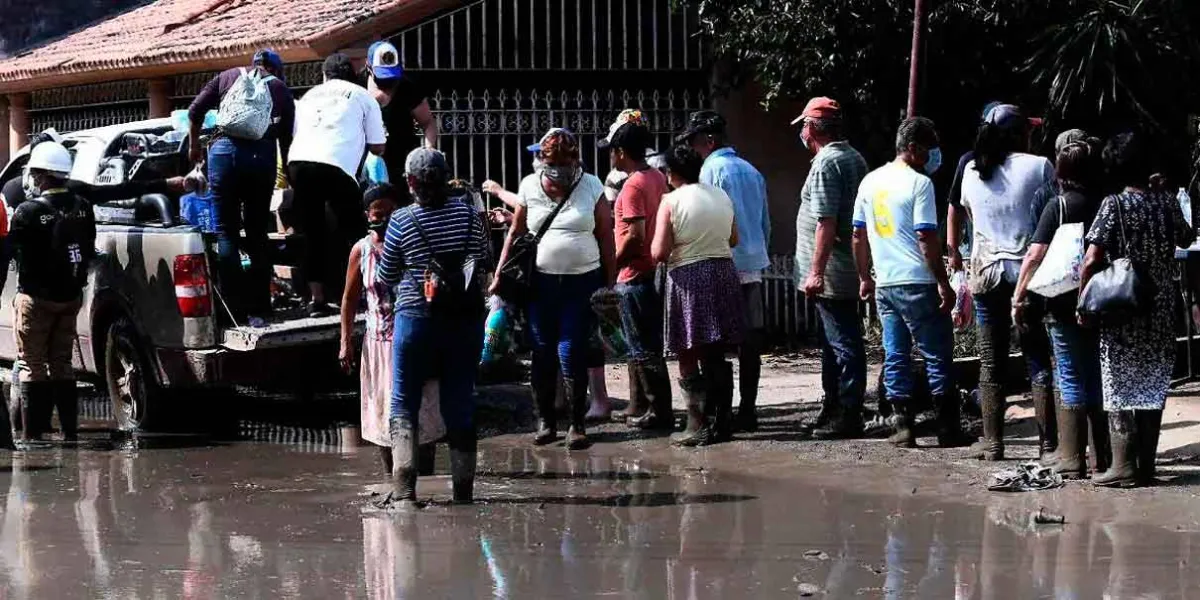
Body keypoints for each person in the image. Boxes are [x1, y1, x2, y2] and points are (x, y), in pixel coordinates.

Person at [377, 148, 490, 505]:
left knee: (404, 401)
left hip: (416, 321)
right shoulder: (471, 216)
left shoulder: (401, 221)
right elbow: (482, 261)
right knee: (459, 404)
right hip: (464, 321)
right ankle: (463, 494)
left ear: (410, 183)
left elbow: (386, 275)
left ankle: (405, 491)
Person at [491, 128, 616, 450]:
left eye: (565, 163)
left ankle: (576, 425)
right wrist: (499, 274)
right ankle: (545, 420)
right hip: (541, 284)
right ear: (543, 162)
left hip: (582, 281)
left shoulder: (591, 185)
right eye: (553, 164)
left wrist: (611, 280)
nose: (559, 172)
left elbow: (606, 235)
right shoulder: (529, 186)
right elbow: (516, 234)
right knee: (542, 349)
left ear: (576, 161)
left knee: (570, 348)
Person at [1080, 133, 1191, 488]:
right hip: (1160, 307)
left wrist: (1083, 299)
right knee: (1153, 383)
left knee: (1119, 380)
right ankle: (1145, 466)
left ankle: (1122, 465)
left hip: (1123, 307)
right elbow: (1187, 238)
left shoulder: (1113, 205)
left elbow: (1092, 259)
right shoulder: (1168, 202)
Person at [948, 104, 1056, 461]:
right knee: (1037, 357)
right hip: (1029, 276)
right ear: (1020, 133)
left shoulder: (970, 170)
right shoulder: (1039, 167)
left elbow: (966, 215)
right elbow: (1051, 217)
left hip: (986, 274)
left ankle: (993, 443)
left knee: (990, 362)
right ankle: (1048, 444)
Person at [851, 117, 967, 448]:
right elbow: (926, 236)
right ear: (914, 149)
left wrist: (864, 277)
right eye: (930, 149)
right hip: (917, 281)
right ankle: (948, 429)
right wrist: (942, 283)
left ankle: (902, 427)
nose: (934, 156)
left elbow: (858, 235)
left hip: (886, 283)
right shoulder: (920, 185)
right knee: (936, 353)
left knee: (896, 353)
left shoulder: (870, 182)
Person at [1011, 141, 1110, 479]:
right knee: (1096, 374)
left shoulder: (1058, 206)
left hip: (1062, 302)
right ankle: (1102, 457)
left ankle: (1071, 456)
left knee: (1068, 374)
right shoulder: (1105, 204)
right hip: (1099, 301)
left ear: (1061, 172)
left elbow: (1034, 255)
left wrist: (1019, 295)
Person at [338, 184, 445, 479]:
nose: (385, 219)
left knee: (424, 415)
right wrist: (345, 342)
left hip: (415, 338)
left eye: (391, 212)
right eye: (378, 213)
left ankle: (427, 480)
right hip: (379, 346)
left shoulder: (416, 243)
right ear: (367, 216)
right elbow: (348, 299)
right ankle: (394, 480)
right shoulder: (361, 251)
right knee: (384, 417)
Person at [676, 110, 769, 437]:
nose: (693, 149)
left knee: (714, 341)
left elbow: (707, 217)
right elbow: (764, 223)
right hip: (753, 263)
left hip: (722, 263)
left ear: (709, 141)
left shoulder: (709, 171)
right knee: (749, 342)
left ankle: (719, 414)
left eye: (694, 142)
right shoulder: (752, 171)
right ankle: (748, 410)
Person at [188, 49, 295, 325]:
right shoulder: (281, 90)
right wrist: (289, 176)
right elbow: (285, 141)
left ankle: (233, 309)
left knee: (226, 232)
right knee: (258, 232)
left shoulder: (228, 77)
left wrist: (194, 146)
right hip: (261, 158)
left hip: (223, 155)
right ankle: (261, 306)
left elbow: (194, 110)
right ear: (277, 70)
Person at [651, 145, 743, 447]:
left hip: (689, 275)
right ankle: (722, 420)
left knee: (688, 350)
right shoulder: (720, 195)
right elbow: (733, 238)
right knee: (715, 350)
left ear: (671, 173)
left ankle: (697, 423)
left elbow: (659, 252)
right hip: (723, 272)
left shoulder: (670, 201)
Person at [791, 97, 869, 439]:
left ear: (812, 129)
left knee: (843, 342)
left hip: (833, 272)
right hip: (843, 268)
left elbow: (826, 221)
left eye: (803, 126)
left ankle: (848, 412)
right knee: (832, 341)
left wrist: (815, 271)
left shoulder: (826, 163)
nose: (801, 133)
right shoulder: (853, 157)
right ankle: (834, 406)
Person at [8, 142, 96, 442]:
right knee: (62, 363)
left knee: (32, 365)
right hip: (70, 298)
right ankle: (70, 433)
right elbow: (88, 249)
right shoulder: (83, 206)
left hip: (35, 299)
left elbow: (10, 250)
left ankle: (32, 437)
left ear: (43, 176)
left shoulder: (27, 211)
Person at [289, 53, 387, 317]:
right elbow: (378, 147)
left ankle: (317, 301)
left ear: (324, 76)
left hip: (298, 163)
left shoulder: (308, 96)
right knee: (354, 231)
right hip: (337, 166)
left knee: (312, 232)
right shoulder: (363, 96)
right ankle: (366, 293)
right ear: (353, 75)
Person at [600, 109, 673, 430]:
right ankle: (654, 407)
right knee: (649, 345)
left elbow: (635, 234)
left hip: (633, 273)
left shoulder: (631, 187)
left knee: (641, 347)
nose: (611, 157)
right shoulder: (656, 177)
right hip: (651, 270)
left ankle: (658, 410)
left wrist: (612, 263)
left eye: (612, 151)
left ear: (620, 152)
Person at [365, 41, 438, 190]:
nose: (388, 82)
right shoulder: (357, 87)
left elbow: (428, 123)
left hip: (403, 167)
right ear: (369, 67)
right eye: (382, 76)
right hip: (368, 168)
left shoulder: (407, 87)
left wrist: (428, 154)